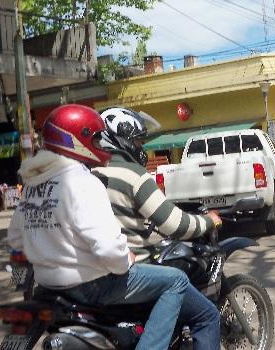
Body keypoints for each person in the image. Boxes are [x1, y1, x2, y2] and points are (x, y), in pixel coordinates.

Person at [7, 104, 217, 350]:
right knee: (177, 281)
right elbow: (108, 248)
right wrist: (125, 260)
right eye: (96, 138)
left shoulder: (33, 186)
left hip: (48, 288)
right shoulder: (83, 182)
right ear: (77, 140)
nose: (102, 145)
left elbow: (16, 242)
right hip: (93, 286)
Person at [90, 107, 222, 349]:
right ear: (122, 139)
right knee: (207, 316)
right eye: (138, 141)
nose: (141, 148)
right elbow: (176, 225)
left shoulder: (89, 173)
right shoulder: (134, 175)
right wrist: (209, 221)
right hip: (134, 273)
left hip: (95, 276)